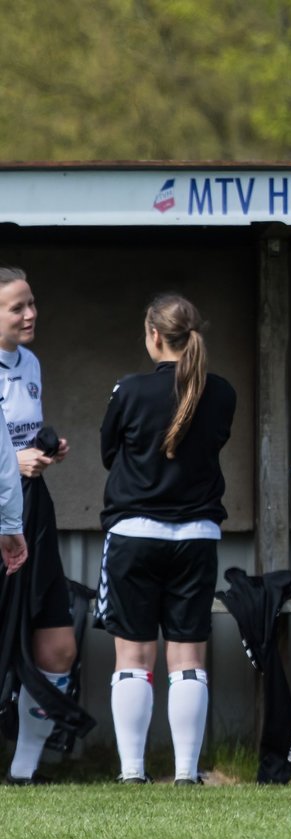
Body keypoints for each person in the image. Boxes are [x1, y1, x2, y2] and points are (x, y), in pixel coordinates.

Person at [96, 294, 235, 784]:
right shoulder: (221, 392)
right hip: (197, 538)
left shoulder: (129, 390)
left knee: (133, 657)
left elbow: (108, 452)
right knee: (188, 658)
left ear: (154, 335)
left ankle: (132, 773)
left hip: (134, 535)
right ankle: (185, 772)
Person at [0, 267, 75, 785]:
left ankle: (24, 772)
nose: (30, 315)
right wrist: (11, 463)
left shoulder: (30, 363)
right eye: (17, 308)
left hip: (33, 511)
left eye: (32, 303)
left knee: (58, 646)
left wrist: (43, 454)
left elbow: (21, 441)